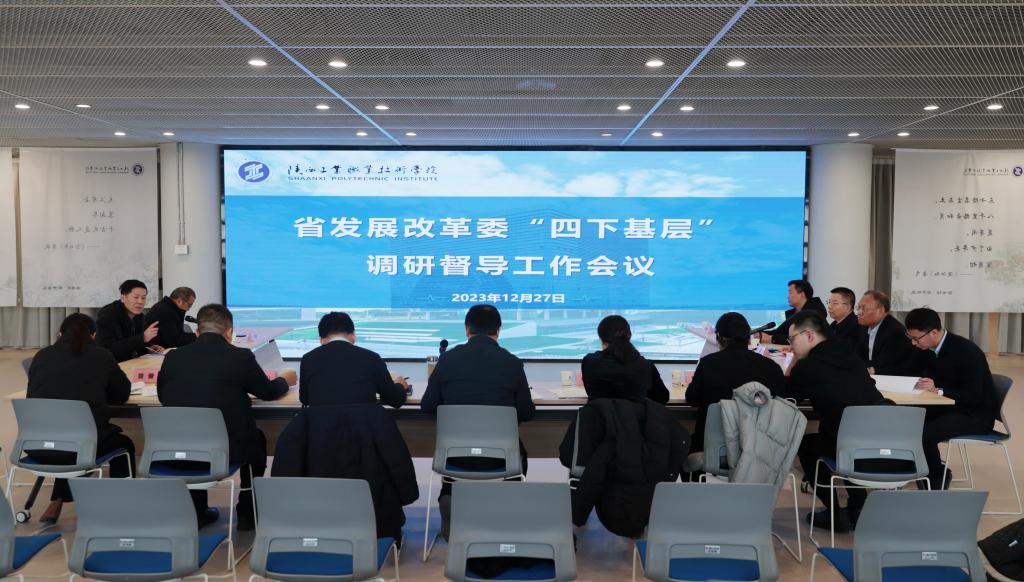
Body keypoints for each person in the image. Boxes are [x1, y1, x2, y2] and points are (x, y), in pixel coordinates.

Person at [157, 303, 296, 530]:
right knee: (256, 440)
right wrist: (285, 380)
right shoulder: (240, 356)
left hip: (178, 446)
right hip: (226, 449)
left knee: (198, 437)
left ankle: (196, 512)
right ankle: (247, 513)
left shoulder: (173, 357)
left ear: (198, 332)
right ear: (229, 332)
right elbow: (268, 392)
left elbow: (164, 396)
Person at [420, 304, 535, 539]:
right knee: (519, 451)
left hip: (455, 457)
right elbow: (525, 412)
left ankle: (450, 499)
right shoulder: (512, 363)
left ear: (467, 329)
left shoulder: (447, 360)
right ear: (498, 331)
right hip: (502, 458)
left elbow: (428, 406)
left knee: (456, 457)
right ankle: (506, 513)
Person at [26, 313, 136, 524]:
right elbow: (121, 394)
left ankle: (57, 501)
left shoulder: (42, 356)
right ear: (93, 335)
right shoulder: (101, 356)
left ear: (60, 334)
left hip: (38, 445)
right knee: (123, 444)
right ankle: (121, 506)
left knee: (67, 433)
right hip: (79, 447)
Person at [786, 311, 890, 531]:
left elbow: (787, 397)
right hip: (883, 442)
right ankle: (857, 507)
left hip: (847, 446)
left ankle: (833, 512)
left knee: (808, 446)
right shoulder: (850, 355)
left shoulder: (808, 367)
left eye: (792, 339)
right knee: (842, 436)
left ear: (809, 336)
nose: (790, 346)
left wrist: (795, 361)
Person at [903, 308, 997, 489]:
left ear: (934, 332)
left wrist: (938, 390)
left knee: (923, 434)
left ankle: (937, 477)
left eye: (916, 338)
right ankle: (921, 468)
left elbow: (973, 395)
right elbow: (908, 370)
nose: (913, 343)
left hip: (974, 414)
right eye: (911, 338)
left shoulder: (966, 352)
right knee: (908, 421)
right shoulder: (926, 348)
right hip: (948, 405)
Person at [685, 312, 785, 453]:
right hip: (757, 451)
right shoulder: (771, 367)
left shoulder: (708, 364)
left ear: (719, 338)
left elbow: (692, 399)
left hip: (712, 450)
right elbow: (780, 403)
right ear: (748, 338)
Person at [299, 311, 409, 407]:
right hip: (365, 424)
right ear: (353, 335)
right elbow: (394, 400)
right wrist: (399, 385)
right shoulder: (372, 358)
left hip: (321, 424)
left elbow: (305, 399)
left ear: (321, 339)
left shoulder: (308, 359)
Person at [581, 315, 669, 404]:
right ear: (629, 335)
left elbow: (591, 392)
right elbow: (662, 398)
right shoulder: (645, 365)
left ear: (600, 337)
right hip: (635, 413)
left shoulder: (589, 362)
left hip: (599, 413)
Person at [96, 279, 161, 361]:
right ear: (123, 298)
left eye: (143, 298)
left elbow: (134, 344)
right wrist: (142, 338)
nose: (140, 302)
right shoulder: (107, 315)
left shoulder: (139, 316)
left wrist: (149, 347)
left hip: (132, 363)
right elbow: (108, 349)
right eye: (136, 297)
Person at [855, 290, 914, 375]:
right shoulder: (863, 327)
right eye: (858, 308)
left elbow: (895, 367)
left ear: (881, 310)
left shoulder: (895, 332)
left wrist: (872, 370)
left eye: (864, 308)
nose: (859, 312)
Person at [767, 279, 827, 345]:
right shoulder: (795, 312)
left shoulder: (813, 314)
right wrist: (761, 334)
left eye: (790, 293)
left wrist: (771, 338)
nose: (788, 297)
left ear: (802, 294)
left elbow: (801, 339)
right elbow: (780, 332)